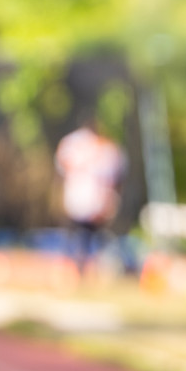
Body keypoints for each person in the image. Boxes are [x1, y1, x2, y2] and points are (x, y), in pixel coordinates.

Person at [54, 116, 125, 274]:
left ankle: (83, 265)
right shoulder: (99, 147)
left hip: (88, 199)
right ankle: (75, 265)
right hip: (85, 198)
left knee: (85, 236)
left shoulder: (102, 148)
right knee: (79, 235)